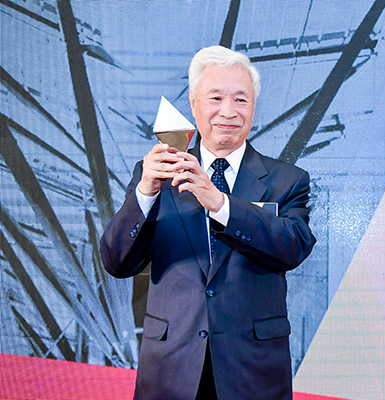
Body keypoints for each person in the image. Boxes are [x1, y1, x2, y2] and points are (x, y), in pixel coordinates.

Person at [100, 45, 316, 399]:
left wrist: (221, 204)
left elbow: (292, 247)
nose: (227, 112)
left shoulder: (287, 180)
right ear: (194, 102)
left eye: (241, 100)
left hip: (253, 374)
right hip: (170, 371)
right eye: (215, 98)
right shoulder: (156, 173)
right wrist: (144, 194)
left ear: (254, 106)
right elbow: (117, 262)